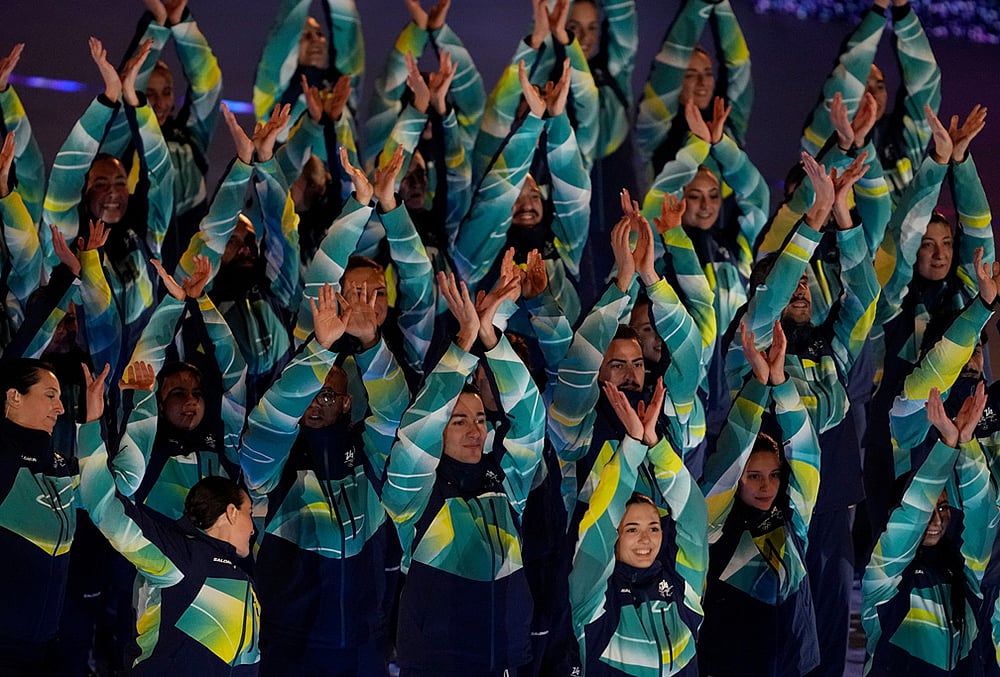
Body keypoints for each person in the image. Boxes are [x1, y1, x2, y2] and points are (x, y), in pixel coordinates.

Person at [381, 270, 545, 676]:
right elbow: (417, 433)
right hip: (439, 664)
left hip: (505, 659)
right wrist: (463, 345)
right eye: (457, 421)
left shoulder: (505, 482)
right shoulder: (414, 492)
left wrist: (491, 338)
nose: (475, 430)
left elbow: (530, 421)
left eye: (479, 419)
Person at [239, 282, 409, 675]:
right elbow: (268, 426)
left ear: (348, 402)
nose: (316, 402)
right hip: (293, 645)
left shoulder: (367, 452)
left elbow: (398, 419)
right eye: (310, 394)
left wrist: (370, 342)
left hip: (366, 641)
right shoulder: (275, 463)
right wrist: (318, 350)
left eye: (328, 395)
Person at [78, 361, 260, 675]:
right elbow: (105, 507)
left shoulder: (243, 579)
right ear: (230, 512)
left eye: (197, 393)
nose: (255, 527)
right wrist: (92, 423)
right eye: (249, 513)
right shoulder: (177, 560)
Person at [699, 321, 823, 676]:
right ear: (738, 479)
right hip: (730, 664)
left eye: (773, 476)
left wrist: (782, 383)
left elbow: (806, 453)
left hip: (794, 661)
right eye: (753, 476)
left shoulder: (792, 516)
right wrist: (757, 384)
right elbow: (730, 453)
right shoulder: (715, 524)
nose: (766, 486)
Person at [569, 377, 708, 675]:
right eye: (631, 529)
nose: (646, 539)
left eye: (653, 528)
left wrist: (657, 446)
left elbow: (694, 518)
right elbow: (599, 526)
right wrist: (632, 446)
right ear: (615, 535)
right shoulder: (593, 597)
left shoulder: (683, 587)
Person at [863, 386, 996, 674]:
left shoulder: (964, 572)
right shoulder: (883, 574)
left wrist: (967, 443)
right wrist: (946, 447)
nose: (936, 521)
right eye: (929, 510)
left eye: (944, 509)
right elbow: (912, 515)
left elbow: (984, 517)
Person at [799, 0, 940, 203]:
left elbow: (926, 80)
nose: (872, 94)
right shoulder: (823, 133)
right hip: (834, 234)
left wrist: (902, 9)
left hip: (895, 234)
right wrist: (878, 8)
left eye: (880, 86)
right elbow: (847, 78)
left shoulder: (904, 139)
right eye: (863, 85)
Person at [0, 359, 75, 675]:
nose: (60, 408)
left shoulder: (56, 462)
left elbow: (120, 484)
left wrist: (98, 420)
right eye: (50, 395)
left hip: (45, 642)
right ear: (14, 396)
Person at [635, 0, 752, 180]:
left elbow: (739, 70)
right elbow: (670, 67)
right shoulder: (654, 131)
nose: (702, 82)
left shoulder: (726, 123)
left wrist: (721, 4)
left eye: (707, 73)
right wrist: (700, 3)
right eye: (690, 75)